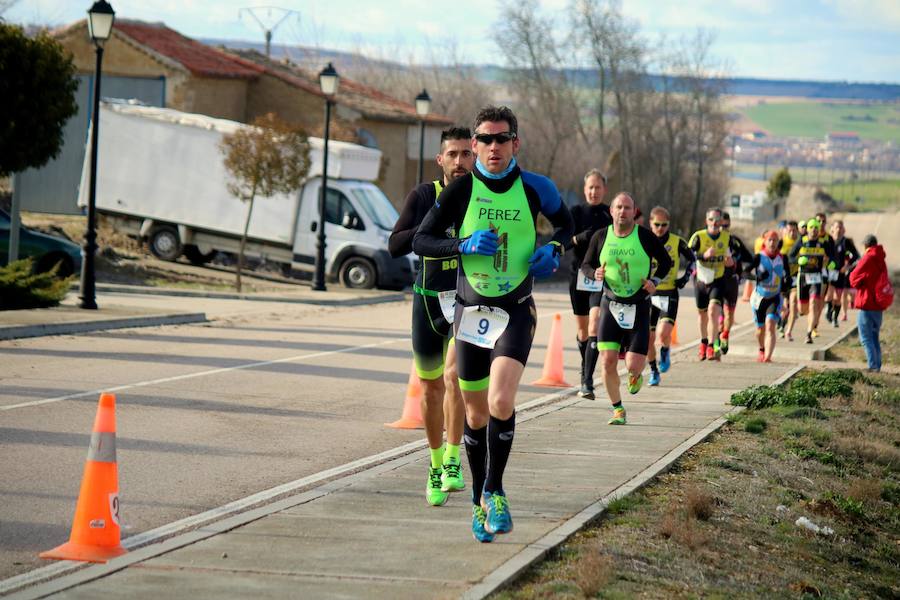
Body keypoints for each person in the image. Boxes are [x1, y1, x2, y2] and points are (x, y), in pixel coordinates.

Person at [413, 106, 573, 542]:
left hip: (517, 308)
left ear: (516, 143)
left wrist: (555, 248)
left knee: (502, 402)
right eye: (484, 139)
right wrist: (461, 244)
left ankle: (496, 490)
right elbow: (421, 239)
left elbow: (567, 223)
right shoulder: (461, 191)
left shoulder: (536, 188)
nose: (492, 147)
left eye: (501, 139)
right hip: (471, 311)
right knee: (475, 413)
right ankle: (476, 504)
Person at [388, 127, 474, 506]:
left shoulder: (481, 195)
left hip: (467, 301)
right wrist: (427, 231)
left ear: (473, 157)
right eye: (451, 154)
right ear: (440, 159)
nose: (459, 161)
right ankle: (436, 464)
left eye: (464, 154)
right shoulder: (424, 195)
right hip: (427, 301)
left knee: (456, 379)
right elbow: (394, 244)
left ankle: (455, 459)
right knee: (431, 387)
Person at [580, 193, 672, 423]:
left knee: (632, 365)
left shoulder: (646, 237)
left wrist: (656, 282)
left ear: (634, 212)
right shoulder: (601, 236)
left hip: (639, 305)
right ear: (611, 211)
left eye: (627, 208)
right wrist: (595, 273)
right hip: (610, 303)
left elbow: (666, 262)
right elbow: (586, 264)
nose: (623, 211)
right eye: (619, 207)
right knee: (608, 360)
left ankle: (636, 375)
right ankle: (618, 409)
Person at [566, 169, 611, 399]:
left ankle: (587, 380)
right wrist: (580, 237)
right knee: (583, 330)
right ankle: (586, 367)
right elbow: (564, 242)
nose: (594, 191)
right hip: (578, 276)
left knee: (594, 324)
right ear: (585, 190)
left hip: (600, 277)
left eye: (598, 187)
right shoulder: (575, 212)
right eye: (590, 187)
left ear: (604, 190)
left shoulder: (609, 214)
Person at [646, 206, 693, 386]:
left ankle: (665, 350)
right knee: (649, 338)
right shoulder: (645, 240)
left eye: (664, 224)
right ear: (651, 223)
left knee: (662, 333)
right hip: (650, 293)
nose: (660, 228)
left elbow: (692, 259)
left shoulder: (676, 241)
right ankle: (653, 370)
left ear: (669, 224)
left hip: (669, 293)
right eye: (657, 224)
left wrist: (685, 277)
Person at [688, 208, 732, 361]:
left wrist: (730, 262)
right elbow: (688, 255)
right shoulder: (698, 236)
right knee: (702, 314)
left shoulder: (726, 237)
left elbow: (731, 257)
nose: (714, 223)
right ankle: (703, 342)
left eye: (717, 220)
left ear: (721, 222)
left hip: (717, 280)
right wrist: (703, 255)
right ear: (707, 221)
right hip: (701, 280)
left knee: (713, 310)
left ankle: (711, 346)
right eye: (711, 219)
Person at [745, 230, 791, 362]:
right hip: (760, 298)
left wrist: (786, 287)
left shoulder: (783, 258)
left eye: (775, 240)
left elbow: (787, 278)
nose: (772, 243)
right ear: (764, 242)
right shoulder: (759, 257)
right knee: (760, 330)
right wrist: (757, 277)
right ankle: (761, 349)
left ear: (778, 242)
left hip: (774, 297)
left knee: (770, 324)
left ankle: (768, 357)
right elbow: (744, 273)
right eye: (769, 240)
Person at [788, 218, 835, 344]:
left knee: (814, 303)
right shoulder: (802, 241)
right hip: (803, 276)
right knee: (803, 309)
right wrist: (798, 261)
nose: (814, 230)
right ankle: (808, 315)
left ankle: (809, 333)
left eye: (816, 228)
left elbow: (833, 256)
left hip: (816, 277)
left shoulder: (823, 243)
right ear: (807, 230)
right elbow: (790, 256)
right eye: (811, 228)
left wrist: (831, 263)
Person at [849, 234, 890, 372]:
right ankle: (877, 365)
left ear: (866, 245)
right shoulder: (881, 259)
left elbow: (853, 277)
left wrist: (860, 282)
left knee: (866, 338)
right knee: (874, 337)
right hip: (878, 305)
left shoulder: (867, 257)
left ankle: (873, 366)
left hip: (866, 303)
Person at [719, 212, 753, 355]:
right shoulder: (708, 240)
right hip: (715, 282)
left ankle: (724, 335)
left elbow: (750, 258)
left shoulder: (735, 242)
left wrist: (745, 271)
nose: (722, 229)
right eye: (720, 225)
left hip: (731, 282)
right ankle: (715, 339)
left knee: (729, 316)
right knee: (715, 313)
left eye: (725, 226)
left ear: (729, 225)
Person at [825, 220, 860, 326]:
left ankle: (835, 318)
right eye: (836, 227)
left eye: (840, 228)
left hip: (840, 272)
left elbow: (856, 256)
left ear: (843, 230)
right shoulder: (827, 241)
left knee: (837, 298)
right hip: (829, 271)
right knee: (828, 296)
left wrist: (847, 266)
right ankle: (829, 312)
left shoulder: (846, 242)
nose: (838, 230)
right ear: (832, 229)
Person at [780, 220, 801, 341]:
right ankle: (781, 324)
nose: (792, 233)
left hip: (795, 277)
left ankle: (788, 331)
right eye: (790, 230)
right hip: (782, 278)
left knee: (793, 304)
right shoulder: (781, 243)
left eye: (794, 230)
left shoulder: (801, 243)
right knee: (784, 307)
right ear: (785, 231)